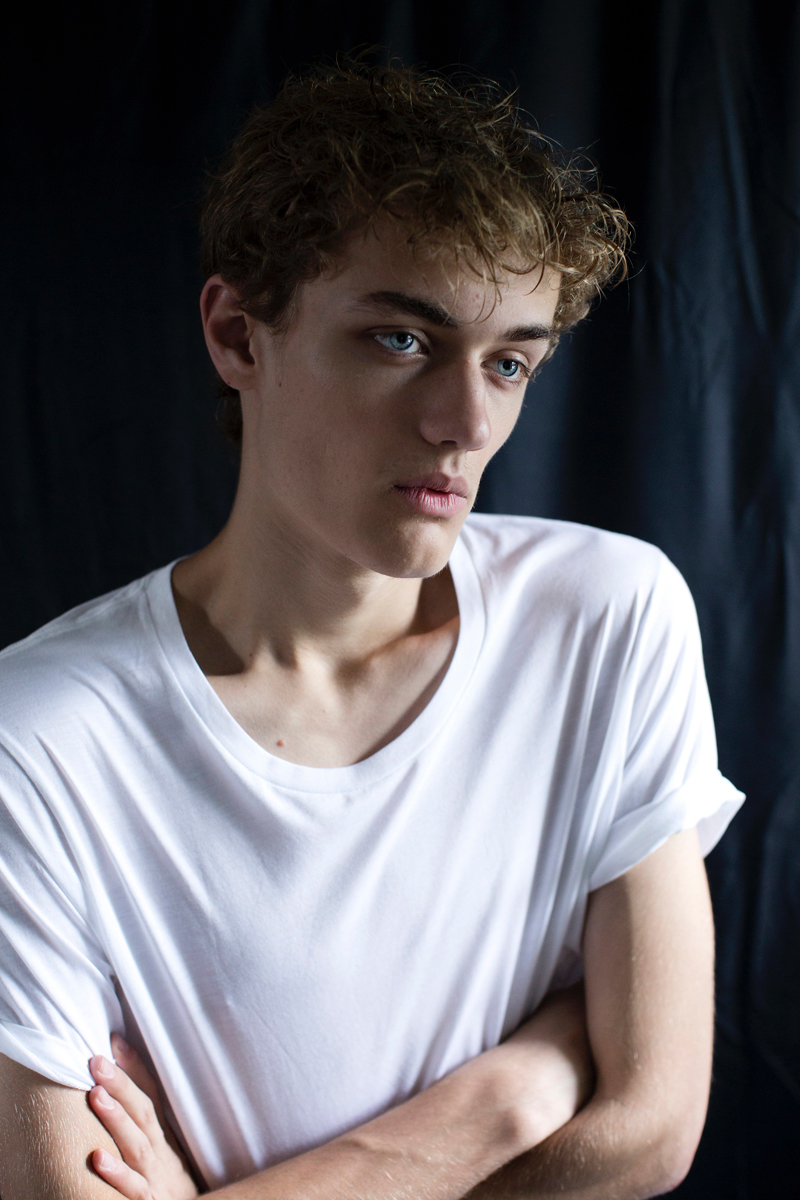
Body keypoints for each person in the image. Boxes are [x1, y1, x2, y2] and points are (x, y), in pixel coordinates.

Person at [0, 61, 743, 1200]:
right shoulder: (35, 739)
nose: (466, 422)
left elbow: (646, 1134)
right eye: (400, 340)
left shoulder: (604, 615)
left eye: (510, 362)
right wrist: (512, 1093)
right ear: (238, 336)